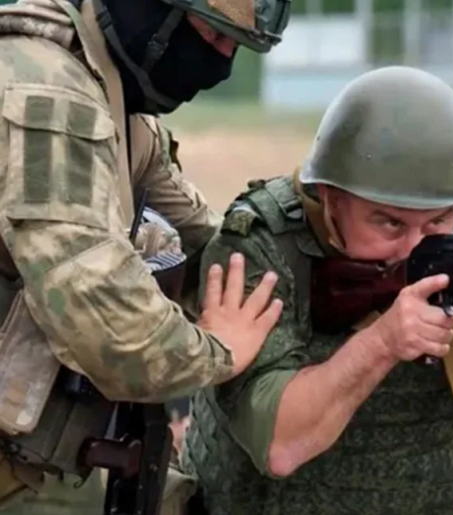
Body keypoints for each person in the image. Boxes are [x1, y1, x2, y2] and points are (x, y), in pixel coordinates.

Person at [178, 65, 453, 515]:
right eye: (389, 222)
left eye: (437, 221)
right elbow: (280, 445)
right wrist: (383, 342)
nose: (415, 248)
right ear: (331, 198)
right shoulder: (260, 250)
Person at [0, 0, 291, 511]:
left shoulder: (117, 102)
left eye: (235, 46)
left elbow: (212, 246)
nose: (221, 64)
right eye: (213, 35)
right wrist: (220, 350)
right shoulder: (46, 91)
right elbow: (108, 327)